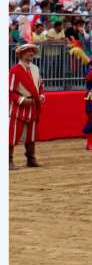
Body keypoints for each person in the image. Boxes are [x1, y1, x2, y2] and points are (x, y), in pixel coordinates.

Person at [9, 41, 45, 169]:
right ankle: (8, 160)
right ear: (21, 54)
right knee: (12, 133)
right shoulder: (14, 70)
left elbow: (40, 86)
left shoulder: (35, 69)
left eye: (32, 51)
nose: (31, 53)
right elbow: (10, 91)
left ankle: (31, 158)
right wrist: (22, 100)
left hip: (33, 105)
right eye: (28, 51)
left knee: (31, 133)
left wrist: (41, 95)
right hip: (18, 107)